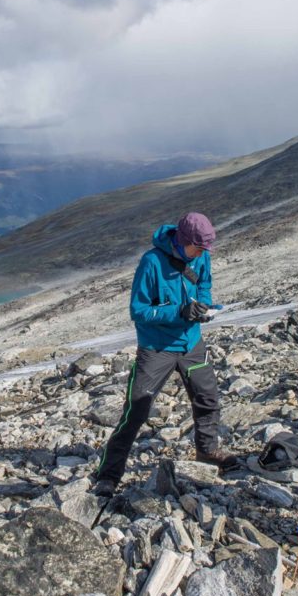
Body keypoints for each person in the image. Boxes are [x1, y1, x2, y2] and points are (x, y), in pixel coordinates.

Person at [92, 212, 240, 497]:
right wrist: (178, 312)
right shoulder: (151, 263)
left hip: (191, 344)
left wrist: (203, 306)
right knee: (136, 409)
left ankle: (208, 452)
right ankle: (108, 475)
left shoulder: (201, 256)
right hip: (156, 348)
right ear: (183, 240)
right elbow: (139, 311)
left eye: (205, 249)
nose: (202, 254)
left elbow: (204, 284)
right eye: (198, 248)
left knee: (207, 398)